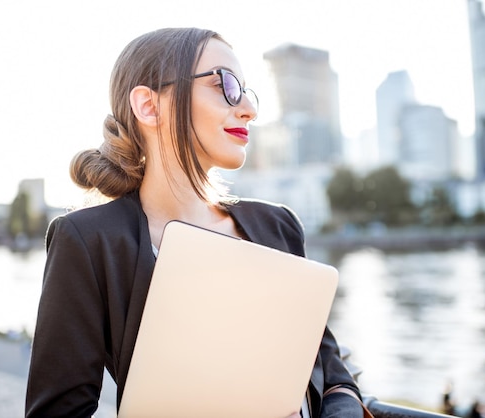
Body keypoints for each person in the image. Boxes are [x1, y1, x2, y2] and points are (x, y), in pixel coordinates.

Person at [25, 27, 366, 418]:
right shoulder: (88, 241)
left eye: (247, 92)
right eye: (226, 85)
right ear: (149, 106)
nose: (249, 110)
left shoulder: (279, 226)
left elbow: (334, 378)